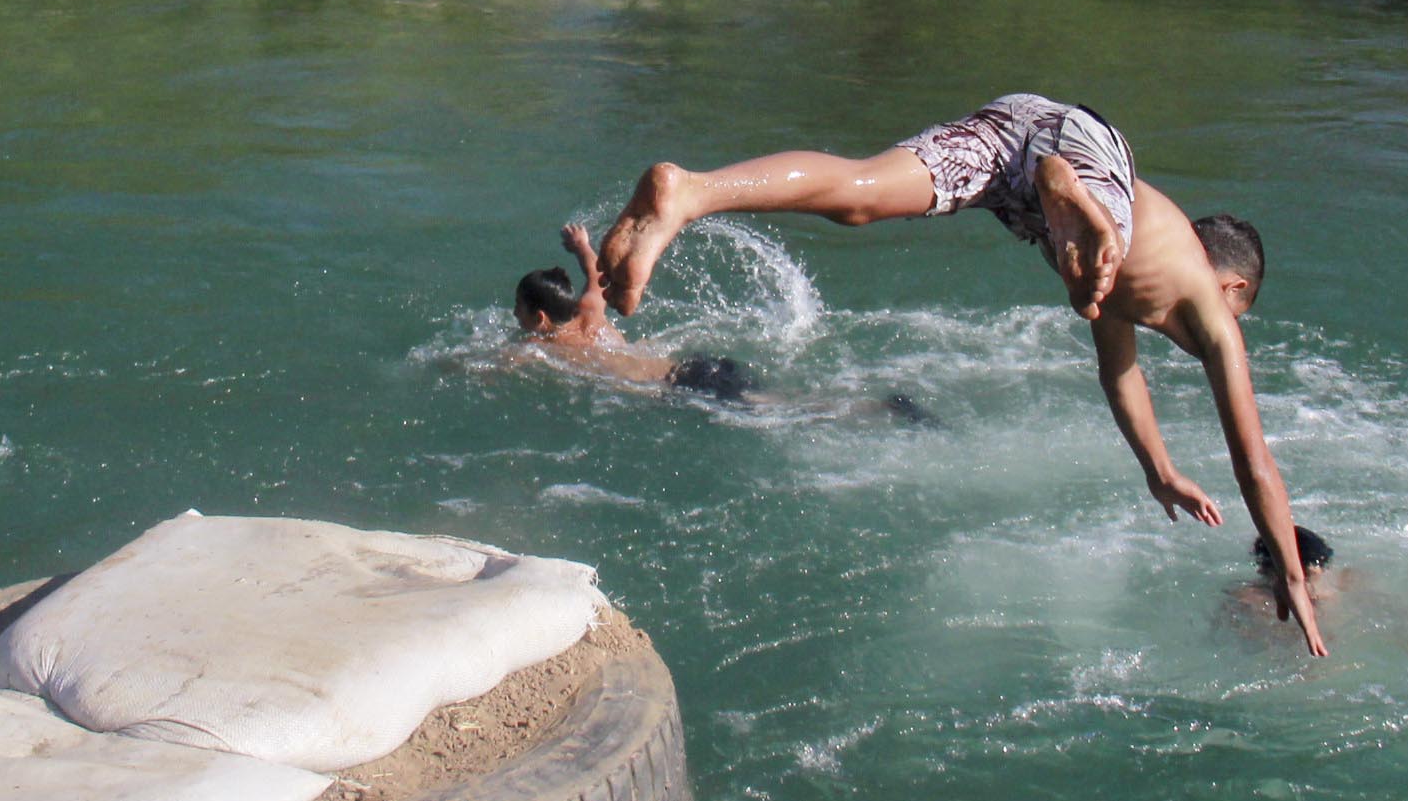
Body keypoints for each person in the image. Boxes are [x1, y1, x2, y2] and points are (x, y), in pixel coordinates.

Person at [593, 94, 1327, 654]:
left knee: (859, 195)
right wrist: (1291, 571)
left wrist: (1158, 467)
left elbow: (1122, 378)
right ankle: (1071, 195)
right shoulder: (1206, 303)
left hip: (1018, 138)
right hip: (1083, 153)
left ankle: (689, 193)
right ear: (1236, 291)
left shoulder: (1125, 292)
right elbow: (1253, 460)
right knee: (1106, 218)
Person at [507, 222, 922, 420]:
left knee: (790, 410)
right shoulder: (590, 314)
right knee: (784, 399)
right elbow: (595, 274)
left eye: (518, 309)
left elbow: (491, 366)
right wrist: (580, 244)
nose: (513, 315)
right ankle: (876, 405)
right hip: (694, 365)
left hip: (679, 386)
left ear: (540, 318)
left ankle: (880, 409)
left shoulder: (543, 350)